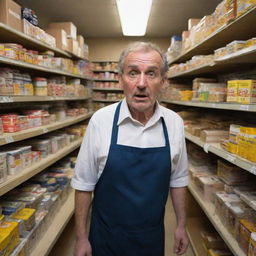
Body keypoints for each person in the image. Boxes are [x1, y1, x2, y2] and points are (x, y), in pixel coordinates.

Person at [71, 41, 189, 256]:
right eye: (133, 73)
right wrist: (81, 238)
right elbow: (83, 184)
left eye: (151, 74)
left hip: (151, 238)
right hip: (105, 237)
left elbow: (179, 179)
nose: (142, 83)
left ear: (163, 81)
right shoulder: (101, 120)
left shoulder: (174, 123)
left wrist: (181, 225)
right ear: (120, 79)